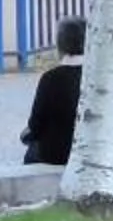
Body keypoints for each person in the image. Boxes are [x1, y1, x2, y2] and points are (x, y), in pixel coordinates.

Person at [20, 17, 86, 167]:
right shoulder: (99, 77)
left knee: (31, 150)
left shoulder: (50, 79)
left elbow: (36, 124)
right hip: (93, 152)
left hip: (57, 155)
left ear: (60, 45)